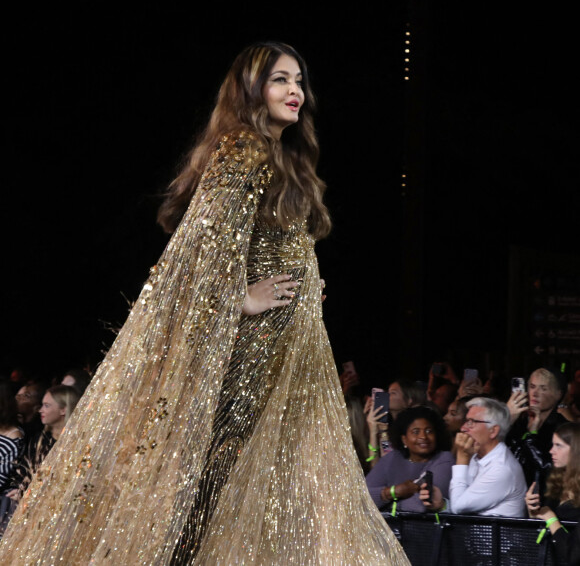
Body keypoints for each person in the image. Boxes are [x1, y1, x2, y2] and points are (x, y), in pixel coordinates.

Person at [0, 43, 410, 565]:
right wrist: (241, 299)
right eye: (280, 80)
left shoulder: (280, 158)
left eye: (300, 81)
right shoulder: (246, 150)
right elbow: (197, 254)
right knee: (216, 483)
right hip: (252, 357)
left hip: (289, 355)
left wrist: (308, 289)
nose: (295, 92)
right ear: (250, 90)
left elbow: (263, 246)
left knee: (266, 492)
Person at [420, 397, 527, 517]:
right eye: (466, 421)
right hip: (471, 532)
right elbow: (463, 507)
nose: (463, 428)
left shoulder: (502, 468)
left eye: (472, 422)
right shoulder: (476, 456)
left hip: (495, 535)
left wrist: (461, 460)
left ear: (493, 431)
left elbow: (458, 507)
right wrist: (442, 505)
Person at [366, 406, 453, 513]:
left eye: (429, 431)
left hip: (422, 527)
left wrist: (385, 499)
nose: (423, 437)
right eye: (416, 432)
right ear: (404, 439)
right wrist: (395, 491)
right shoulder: (392, 457)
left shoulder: (444, 459)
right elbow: (361, 498)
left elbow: (421, 505)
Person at [525, 422, 580, 565]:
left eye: (558, 445)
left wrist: (550, 517)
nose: (551, 451)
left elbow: (573, 555)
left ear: (575, 450)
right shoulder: (557, 481)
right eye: (552, 444)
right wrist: (534, 513)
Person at [506, 367, 568, 489]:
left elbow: (550, 470)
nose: (535, 393)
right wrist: (507, 421)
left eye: (543, 388)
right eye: (532, 386)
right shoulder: (518, 420)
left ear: (558, 394)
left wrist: (532, 434)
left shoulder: (563, 428)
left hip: (542, 496)